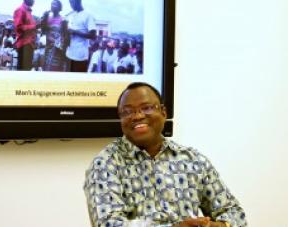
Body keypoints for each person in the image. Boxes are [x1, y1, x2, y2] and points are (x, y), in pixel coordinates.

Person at [84, 82, 247, 227]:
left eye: (147, 108)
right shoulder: (105, 164)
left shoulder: (191, 159)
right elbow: (108, 223)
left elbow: (235, 213)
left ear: (163, 112)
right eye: (127, 112)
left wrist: (219, 226)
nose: (138, 116)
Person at [65, 0, 97, 72]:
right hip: (69, 53)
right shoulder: (72, 15)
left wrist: (75, 32)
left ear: (78, 1)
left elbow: (93, 35)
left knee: (78, 80)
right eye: (70, 3)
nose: (71, 5)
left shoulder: (88, 15)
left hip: (80, 56)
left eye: (71, 2)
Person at [41, 0, 68, 71]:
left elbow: (65, 35)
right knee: (46, 66)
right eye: (51, 4)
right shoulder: (48, 19)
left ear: (59, 7)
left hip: (58, 48)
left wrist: (62, 46)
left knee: (55, 67)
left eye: (55, 4)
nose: (52, 6)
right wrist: (44, 18)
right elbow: (43, 31)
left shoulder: (63, 20)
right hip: (48, 47)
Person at [13, 0, 37, 70]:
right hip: (24, 44)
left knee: (27, 69)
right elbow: (19, 27)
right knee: (22, 70)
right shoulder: (20, 10)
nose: (34, 1)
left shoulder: (28, 11)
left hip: (30, 44)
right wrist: (34, 26)